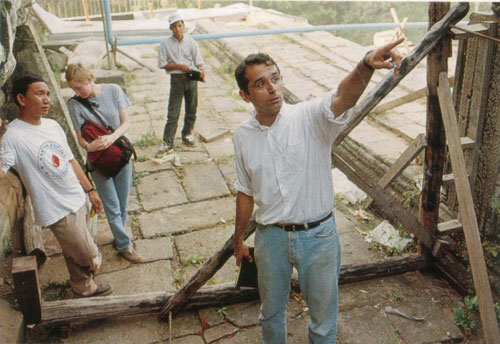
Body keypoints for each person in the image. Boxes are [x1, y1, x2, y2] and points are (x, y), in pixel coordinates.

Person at [232, 39, 404, 343]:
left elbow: (342, 96)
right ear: (245, 95)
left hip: (319, 237)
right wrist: (239, 241)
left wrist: (365, 64)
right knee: (270, 314)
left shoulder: (310, 117)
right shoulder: (242, 135)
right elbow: (245, 191)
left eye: (275, 78)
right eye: (260, 84)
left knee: (324, 322)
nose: (272, 88)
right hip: (270, 238)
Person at [0, 74, 111, 297]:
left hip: (76, 196)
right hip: (56, 208)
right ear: (21, 99)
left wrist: (90, 190)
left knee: (74, 251)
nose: (47, 99)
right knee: (88, 254)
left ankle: (83, 288)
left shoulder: (52, 125)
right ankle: (87, 277)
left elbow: (70, 160)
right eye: (39, 94)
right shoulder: (12, 136)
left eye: (48, 94)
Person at [65, 63, 142, 264]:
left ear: (90, 79)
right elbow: (80, 137)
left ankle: (119, 236)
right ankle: (125, 245)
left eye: (78, 88)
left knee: (123, 203)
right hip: (98, 160)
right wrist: (88, 147)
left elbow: (126, 123)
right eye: (73, 89)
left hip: (120, 154)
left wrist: (111, 138)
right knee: (111, 205)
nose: (76, 92)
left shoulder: (113, 90)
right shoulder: (74, 104)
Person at [157, 13, 205, 154]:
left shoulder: (191, 42)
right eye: (174, 26)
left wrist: (202, 70)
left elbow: (199, 62)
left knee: (191, 108)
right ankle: (168, 142)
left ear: (183, 26)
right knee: (173, 112)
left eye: (180, 25)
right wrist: (178, 66)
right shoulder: (165, 44)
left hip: (191, 77)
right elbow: (162, 64)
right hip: (177, 80)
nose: (178, 29)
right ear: (170, 28)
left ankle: (187, 134)